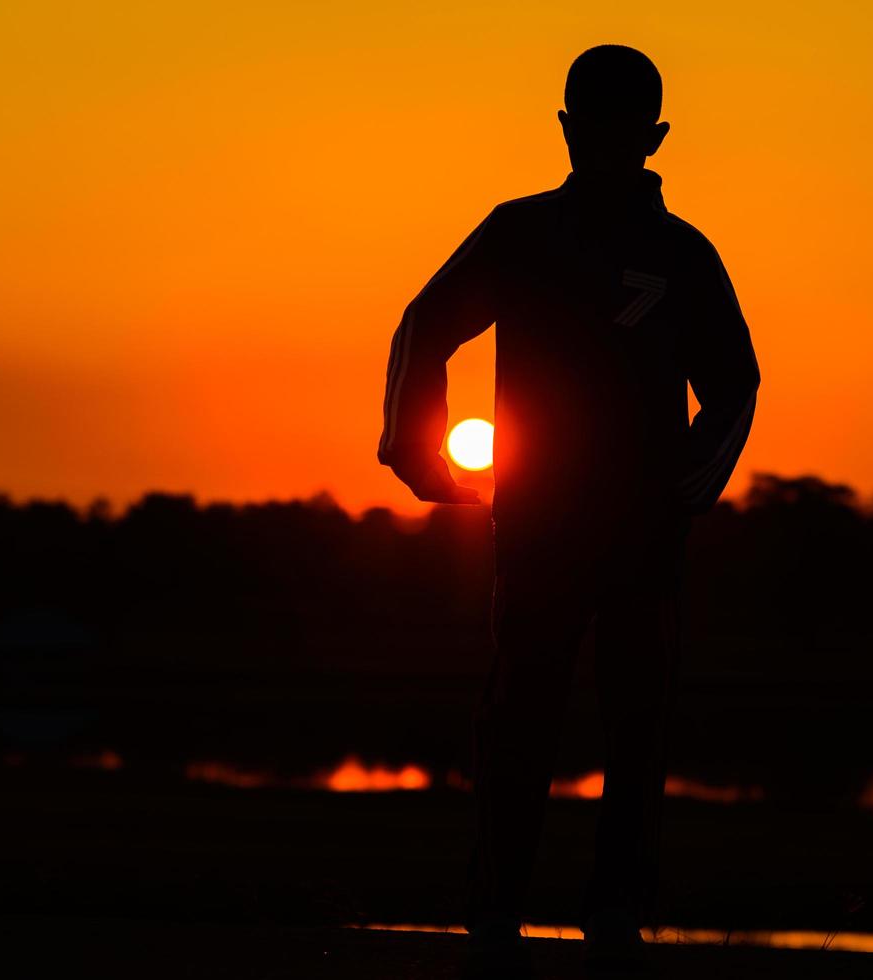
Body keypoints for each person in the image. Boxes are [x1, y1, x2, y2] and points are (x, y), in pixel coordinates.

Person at [377, 44, 760, 978]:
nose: (602, 144)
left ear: (644, 136)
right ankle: (521, 909)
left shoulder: (650, 249)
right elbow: (425, 325)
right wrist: (415, 446)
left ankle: (585, 911)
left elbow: (733, 383)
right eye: (597, 127)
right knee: (540, 711)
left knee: (605, 714)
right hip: (565, 516)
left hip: (619, 521)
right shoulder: (542, 236)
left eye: (611, 128)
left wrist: (692, 479)